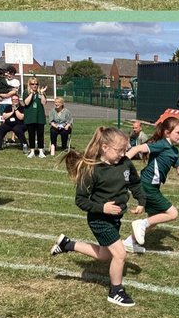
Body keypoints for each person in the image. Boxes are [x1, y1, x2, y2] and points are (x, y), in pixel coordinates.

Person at [50, 126, 146, 307]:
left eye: (125, 150)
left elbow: (135, 183)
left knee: (104, 255)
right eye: (119, 150)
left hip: (115, 219)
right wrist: (102, 208)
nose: (123, 154)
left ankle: (67, 244)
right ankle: (115, 291)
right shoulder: (92, 169)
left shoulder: (125, 163)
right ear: (105, 148)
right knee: (120, 253)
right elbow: (80, 200)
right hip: (99, 220)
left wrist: (141, 201)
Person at [126, 112, 179, 253]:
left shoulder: (174, 151)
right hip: (147, 184)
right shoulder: (162, 144)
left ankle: (129, 242)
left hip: (153, 187)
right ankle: (140, 224)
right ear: (167, 133)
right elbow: (137, 148)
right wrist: (122, 163)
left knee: (154, 220)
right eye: (178, 132)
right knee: (172, 213)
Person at [23, 77, 48, 158]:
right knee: (31, 134)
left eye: (36, 84)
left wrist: (41, 93)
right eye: (32, 84)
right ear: (29, 84)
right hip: (30, 117)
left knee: (40, 134)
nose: (35, 85)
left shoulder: (40, 92)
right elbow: (26, 103)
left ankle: (41, 151)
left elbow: (44, 103)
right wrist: (31, 94)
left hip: (39, 117)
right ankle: (32, 151)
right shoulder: (26, 92)